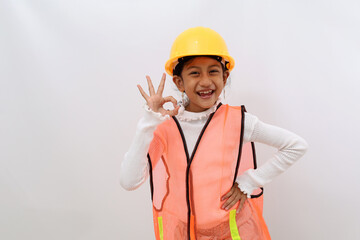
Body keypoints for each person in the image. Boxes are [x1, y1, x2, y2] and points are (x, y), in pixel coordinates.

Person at [120, 26, 308, 240]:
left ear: (225, 76)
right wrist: (149, 121)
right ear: (179, 82)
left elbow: (296, 145)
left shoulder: (238, 121)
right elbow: (129, 181)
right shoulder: (164, 125)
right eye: (194, 73)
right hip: (183, 232)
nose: (206, 81)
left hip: (232, 230)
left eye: (213, 71)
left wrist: (250, 181)